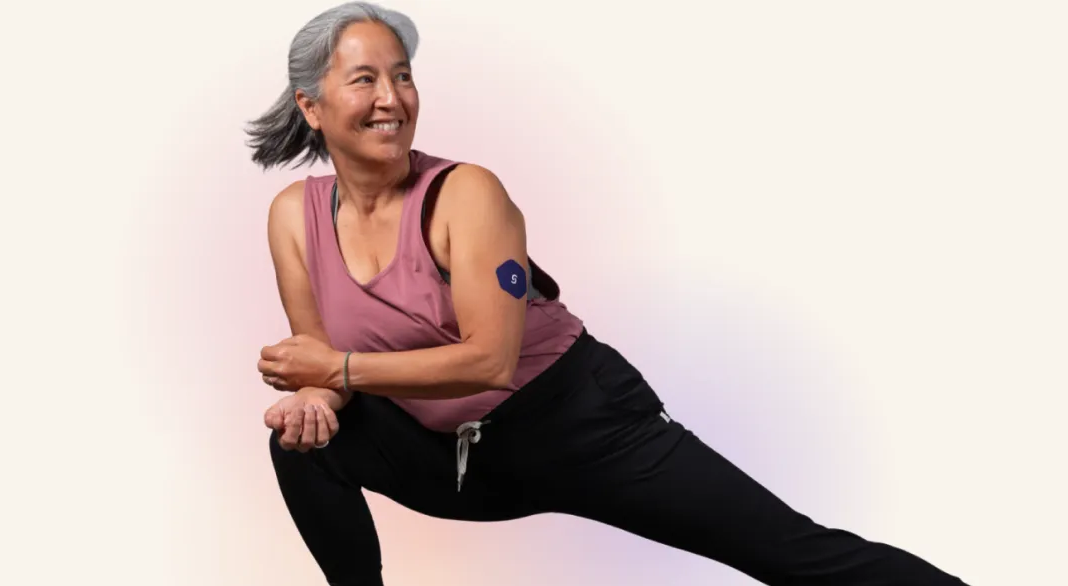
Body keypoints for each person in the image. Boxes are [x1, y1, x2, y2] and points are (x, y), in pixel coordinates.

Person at [246, 3, 969, 585]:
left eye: (402, 77)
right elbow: (321, 366)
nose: (392, 99)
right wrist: (316, 400)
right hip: (453, 463)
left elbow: (489, 361)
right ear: (311, 107)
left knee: (794, 554)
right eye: (364, 79)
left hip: (580, 426)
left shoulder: (466, 194)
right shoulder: (294, 218)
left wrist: (337, 374)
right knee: (300, 446)